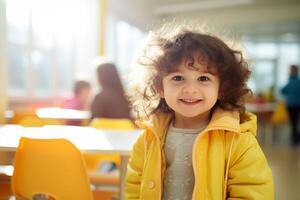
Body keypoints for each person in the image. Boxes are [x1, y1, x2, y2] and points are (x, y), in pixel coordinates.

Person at [125, 26, 274, 199]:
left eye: (204, 78)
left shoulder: (238, 140)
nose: (190, 89)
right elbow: (134, 186)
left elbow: (253, 192)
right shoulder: (148, 138)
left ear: (222, 88)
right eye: (178, 78)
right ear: (160, 87)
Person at [281, 64, 300, 146]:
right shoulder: (297, 80)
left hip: (292, 105)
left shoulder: (292, 81)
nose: (290, 71)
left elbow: (283, 90)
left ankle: (295, 138)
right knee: (295, 122)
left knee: (293, 123)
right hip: (295, 105)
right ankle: (295, 137)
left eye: (291, 70)